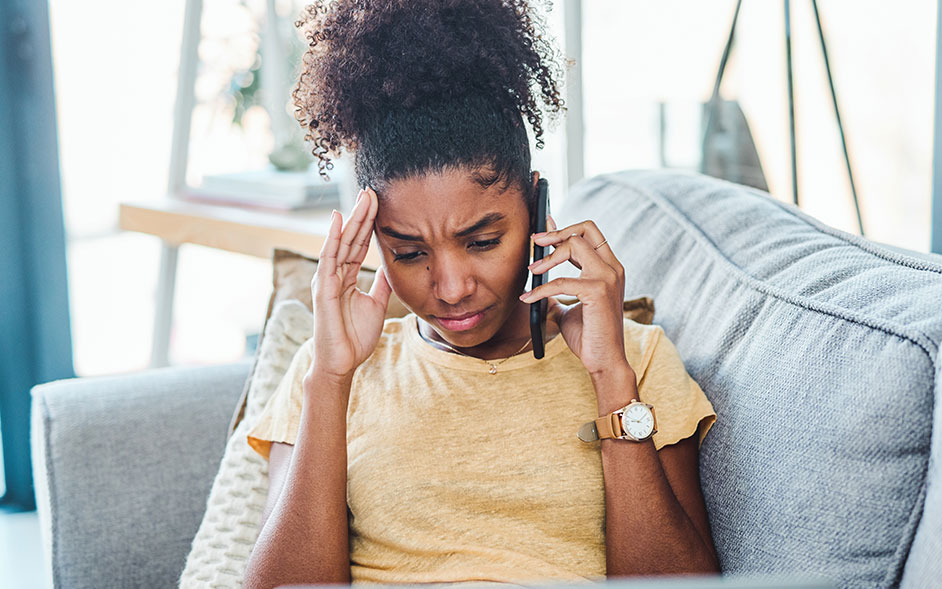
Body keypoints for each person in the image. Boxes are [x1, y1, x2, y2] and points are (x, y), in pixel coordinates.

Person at [243, 1, 718, 586]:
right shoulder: (331, 375)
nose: (451, 288)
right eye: (410, 253)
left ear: (538, 208)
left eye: (483, 240)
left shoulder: (636, 359)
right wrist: (331, 380)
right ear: (373, 243)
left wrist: (611, 381)